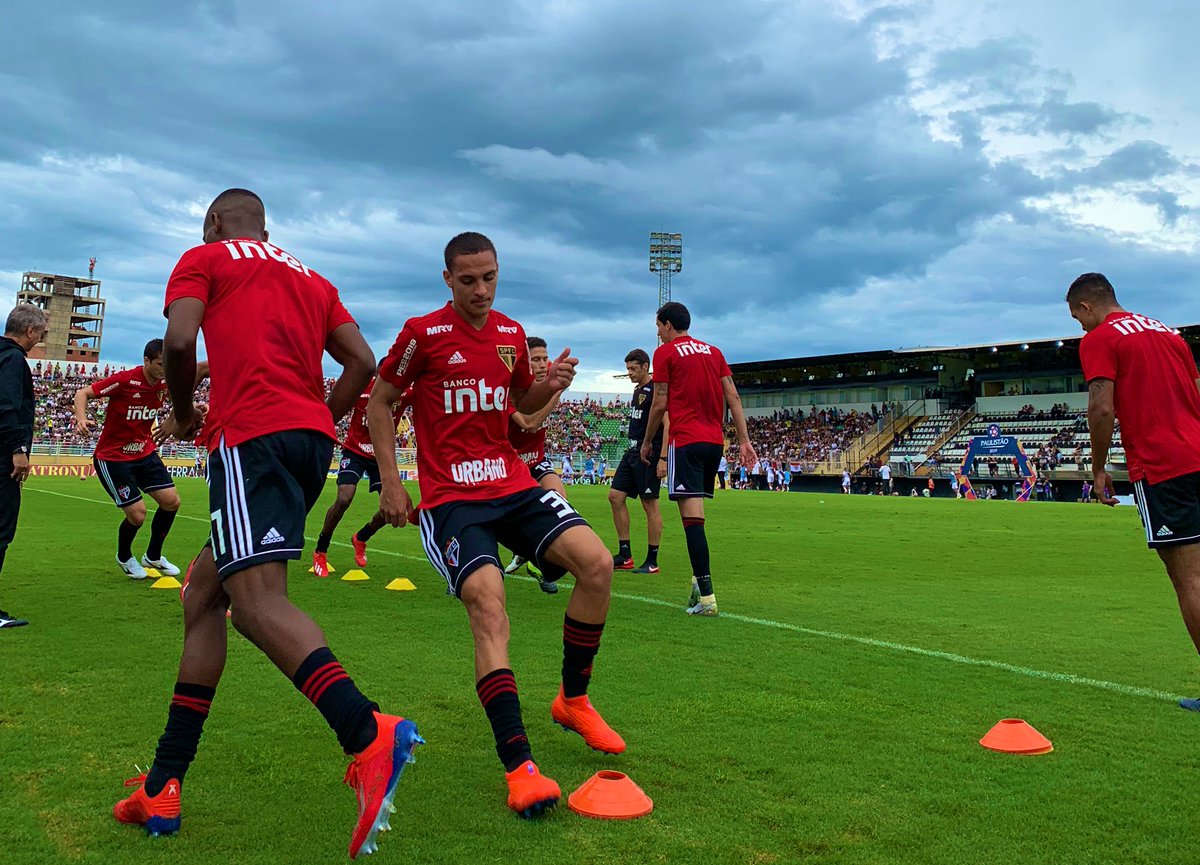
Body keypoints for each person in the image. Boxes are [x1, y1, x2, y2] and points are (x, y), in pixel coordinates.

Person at [112, 189, 420, 858]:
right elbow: (362, 363)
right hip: (308, 442)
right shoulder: (311, 274)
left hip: (250, 437)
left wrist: (187, 415)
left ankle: (365, 729)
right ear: (268, 228)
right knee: (203, 595)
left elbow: (178, 338)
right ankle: (164, 781)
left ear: (214, 222)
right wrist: (317, 412)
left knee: (254, 605)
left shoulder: (204, 256)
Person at [368, 231, 623, 818]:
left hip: (511, 482)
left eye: (489, 278)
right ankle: (520, 766)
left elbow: (519, 406)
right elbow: (381, 402)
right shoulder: (421, 334)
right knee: (489, 600)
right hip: (452, 498)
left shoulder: (510, 334)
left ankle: (573, 699)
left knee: (597, 564)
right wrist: (390, 478)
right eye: (468, 280)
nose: (481, 290)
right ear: (447, 280)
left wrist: (548, 385)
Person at [1068, 272, 1200, 712]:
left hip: (1164, 468)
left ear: (1087, 307)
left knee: (1189, 579)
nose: (1080, 329)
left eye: (1077, 319)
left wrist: (1101, 468)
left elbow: (1101, 405)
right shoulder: (1167, 331)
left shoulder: (1102, 338)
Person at [640, 301, 756, 616]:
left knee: (692, 522)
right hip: (712, 443)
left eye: (658, 327)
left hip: (685, 441)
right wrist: (744, 442)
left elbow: (660, 401)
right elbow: (732, 396)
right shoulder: (713, 352)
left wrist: (648, 441)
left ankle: (707, 599)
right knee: (698, 518)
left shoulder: (665, 353)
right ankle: (696, 586)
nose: (658, 334)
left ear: (666, 325)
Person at [73, 339, 183, 579]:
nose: (164, 369)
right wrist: (81, 419)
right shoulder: (124, 380)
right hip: (113, 458)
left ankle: (153, 556)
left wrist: (191, 412)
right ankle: (124, 556)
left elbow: (183, 400)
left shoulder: (167, 382)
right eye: (159, 364)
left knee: (172, 502)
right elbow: (83, 393)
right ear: (146, 361)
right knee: (138, 514)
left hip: (144, 453)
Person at [312, 377, 410, 577]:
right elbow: (337, 406)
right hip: (354, 451)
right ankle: (321, 549)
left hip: (381, 455)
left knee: (394, 508)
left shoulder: (405, 391)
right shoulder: (361, 387)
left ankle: (361, 537)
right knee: (344, 497)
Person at [503, 335, 568, 594]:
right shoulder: (509, 393)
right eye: (536, 360)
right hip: (509, 465)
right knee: (504, 520)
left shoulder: (544, 387)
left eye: (545, 359)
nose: (542, 365)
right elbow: (529, 424)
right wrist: (557, 392)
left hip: (536, 461)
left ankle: (537, 562)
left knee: (560, 502)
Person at [0, 305, 47, 628]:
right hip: (2, 459)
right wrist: (18, 448)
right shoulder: (14, 359)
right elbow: (6, 405)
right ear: (29, 331)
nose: (39, 340)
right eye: (40, 334)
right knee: (1, 533)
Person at [609, 348, 665, 574]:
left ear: (645, 366)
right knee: (615, 496)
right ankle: (625, 554)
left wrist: (662, 458)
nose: (630, 373)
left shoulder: (656, 390)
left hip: (649, 453)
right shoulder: (637, 390)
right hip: (632, 451)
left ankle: (652, 560)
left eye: (633, 368)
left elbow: (668, 422)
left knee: (649, 504)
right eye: (628, 369)